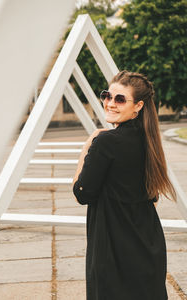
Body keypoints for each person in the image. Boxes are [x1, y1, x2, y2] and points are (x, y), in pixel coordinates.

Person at [72, 70, 176, 300]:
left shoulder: (105, 143)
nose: (110, 103)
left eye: (120, 99)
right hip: (148, 245)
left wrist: (86, 148)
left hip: (113, 251)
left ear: (138, 106)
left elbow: (82, 192)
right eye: (107, 96)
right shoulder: (149, 140)